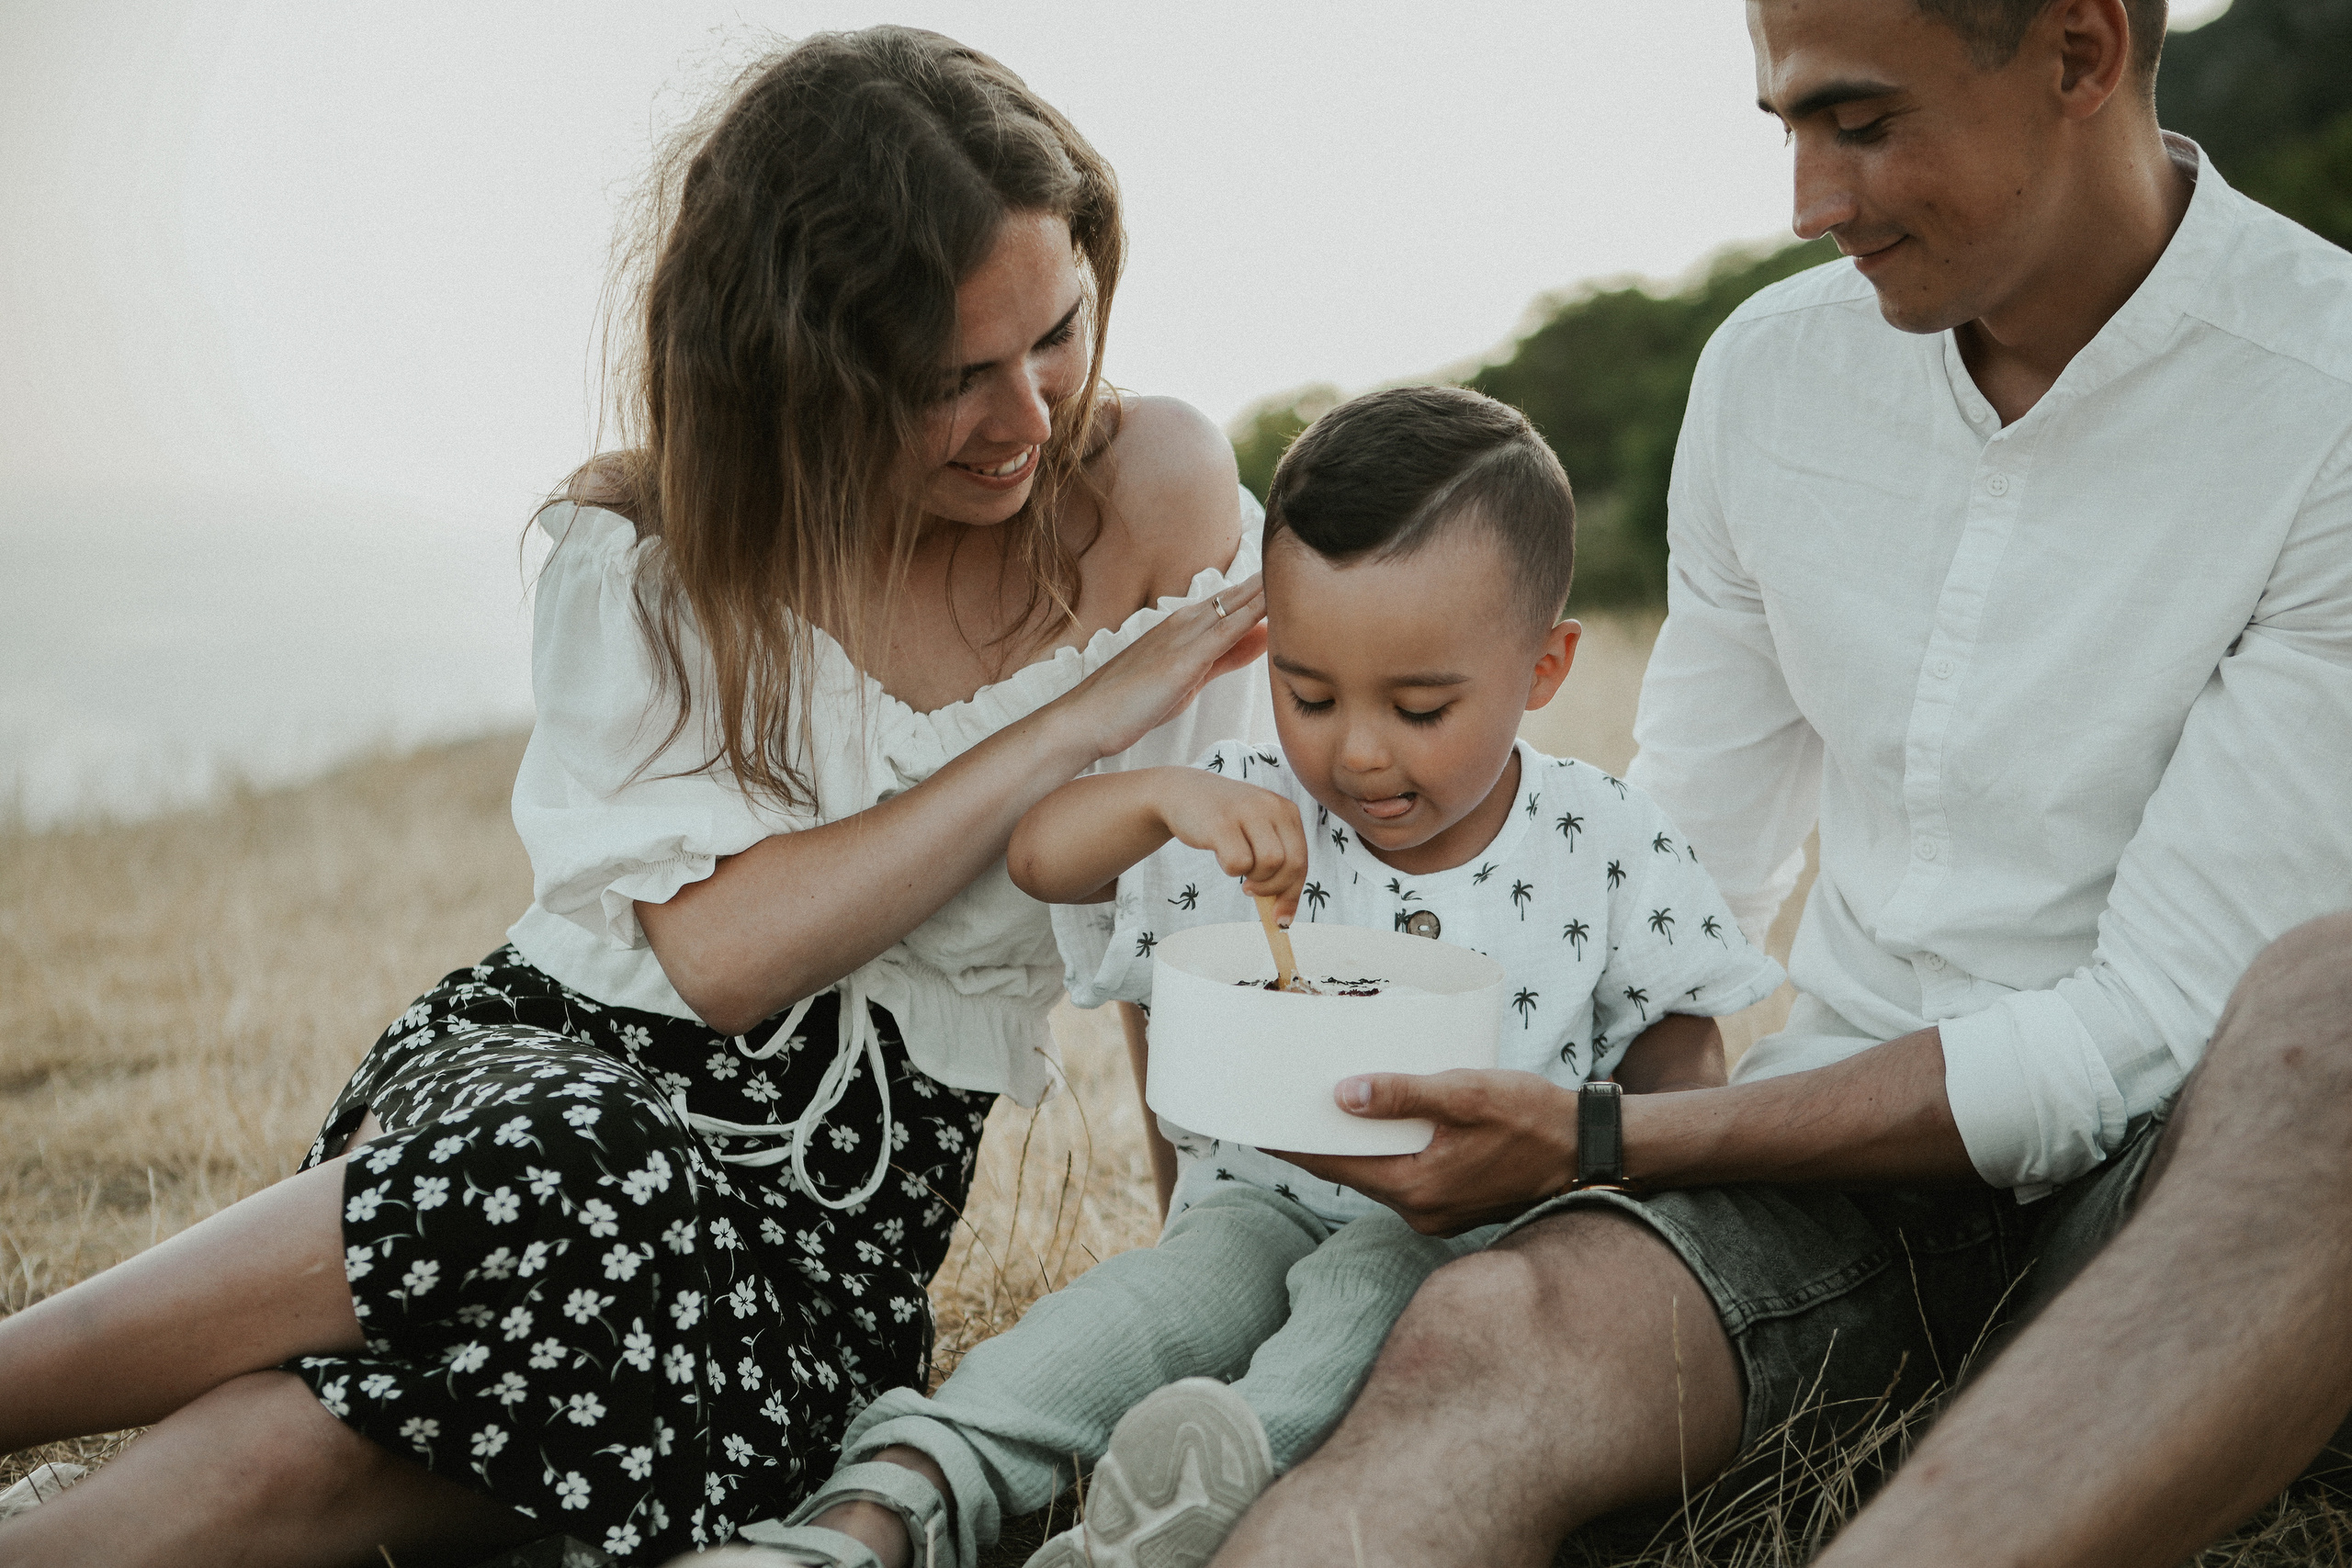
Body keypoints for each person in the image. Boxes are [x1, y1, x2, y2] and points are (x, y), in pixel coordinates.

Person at [0, 28, 1277, 1568]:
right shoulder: (649, 554)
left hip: (808, 1259)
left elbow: (1186, 929)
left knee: (335, 1444)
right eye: (950, 378)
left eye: (1056, 335)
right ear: (804, 364)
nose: (1026, 416)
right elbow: (724, 960)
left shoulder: (1157, 492)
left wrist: (1207, 1295)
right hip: (540, 1095)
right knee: (575, 1157)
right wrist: (1070, 723)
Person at [1200, 2, 2352, 1564]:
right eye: (1787, 127)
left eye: (1862, 125)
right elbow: (1672, 872)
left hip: (2186, 1178)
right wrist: (1422, 1049)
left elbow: (2129, 1038)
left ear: (2080, 54)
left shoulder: (2325, 389)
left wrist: (1599, 1138)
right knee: (1489, 1334)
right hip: (1837, 1156)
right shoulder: (1770, 375)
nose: (1808, 204)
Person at [708, 386, 1786, 1568]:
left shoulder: (1606, 841)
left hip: (1471, 1235)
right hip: (1250, 1206)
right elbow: (1041, 857)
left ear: (1543, 666)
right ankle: (878, 1511)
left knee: (1365, 1309)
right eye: (1310, 694)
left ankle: (1168, 1525)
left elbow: (1685, 1078)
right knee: (1125, 1322)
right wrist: (1161, 794)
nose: (1356, 750)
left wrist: (1591, 1167)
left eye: (1419, 708)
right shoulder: (1248, 796)